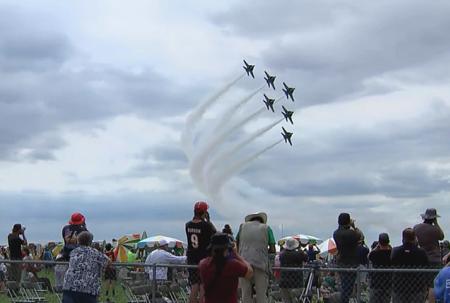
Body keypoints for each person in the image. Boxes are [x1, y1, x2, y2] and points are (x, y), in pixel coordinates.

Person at [198, 232, 253, 303]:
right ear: (227, 249)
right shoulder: (233, 265)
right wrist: (236, 255)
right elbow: (250, 273)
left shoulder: (203, 264)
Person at [236, 212, 276, 303]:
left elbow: (236, 242)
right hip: (260, 263)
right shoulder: (267, 228)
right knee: (261, 293)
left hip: (244, 263)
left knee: (245, 293)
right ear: (262, 221)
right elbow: (273, 248)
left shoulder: (242, 227)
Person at [62, 231, 110, 303]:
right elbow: (108, 261)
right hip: (88, 288)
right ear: (90, 242)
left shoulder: (73, 252)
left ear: (78, 241)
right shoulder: (95, 253)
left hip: (69, 286)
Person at [185, 201, 216, 303]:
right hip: (204, 258)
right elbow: (215, 234)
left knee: (194, 285)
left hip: (191, 257)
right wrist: (208, 220)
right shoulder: (206, 226)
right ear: (204, 212)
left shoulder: (188, 225)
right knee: (203, 285)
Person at [414, 208, 445, 303]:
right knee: (433, 285)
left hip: (421, 258)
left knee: (422, 284)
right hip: (434, 259)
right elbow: (442, 236)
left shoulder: (416, 228)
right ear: (434, 218)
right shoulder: (435, 229)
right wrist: (436, 223)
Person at [391, 228, 429, 303]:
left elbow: (392, 262)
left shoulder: (396, 251)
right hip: (417, 286)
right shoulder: (421, 252)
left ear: (403, 238)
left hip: (399, 286)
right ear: (415, 238)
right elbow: (426, 265)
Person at [332, 213, 362, 303]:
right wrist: (353, 226)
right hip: (351, 262)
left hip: (341, 261)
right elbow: (360, 236)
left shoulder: (336, 233)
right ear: (348, 222)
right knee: (348, 286)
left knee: (344, 284)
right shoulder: (351, 233)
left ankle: (343, 299)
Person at [279, 237, 308, 303]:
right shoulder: (299, 254)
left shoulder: (282, 254)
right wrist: (300, 249)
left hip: (284, 281)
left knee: (286, 300)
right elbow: (306, 258)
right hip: (296, 282)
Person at [368, 233, 392, 303]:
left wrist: (376, 247)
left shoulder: (374, 254)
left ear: (379, 242)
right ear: (388, 241)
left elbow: (368, 256)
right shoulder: (391, 253)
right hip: (388, 282)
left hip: (376, 282)